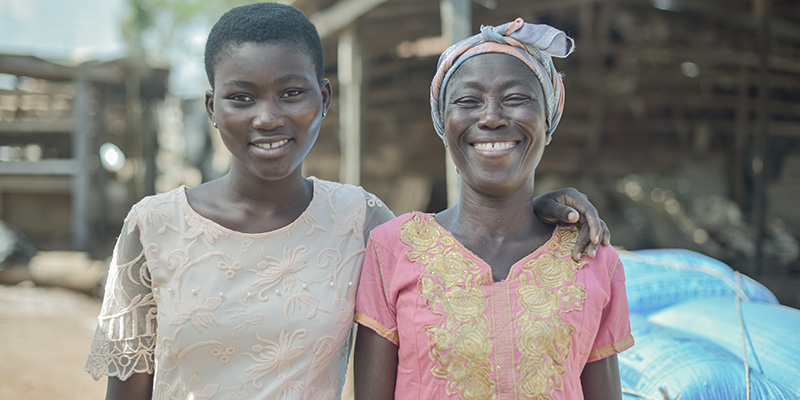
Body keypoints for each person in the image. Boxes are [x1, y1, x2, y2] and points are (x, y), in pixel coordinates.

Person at [84, 4, 611, 400]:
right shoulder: (152, 227)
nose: (267, 118)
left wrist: (542, 205)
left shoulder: (361, 221)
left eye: (291, 93)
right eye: (241, 97)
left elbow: (464, 240)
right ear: (211, 107)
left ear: (324, 99)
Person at [353, 19, 634, 400]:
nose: (491, 117)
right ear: (442, 123)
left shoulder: (590, 258)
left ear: (549, 119)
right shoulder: (393, 249)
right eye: (468, 101)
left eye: (516, 99)